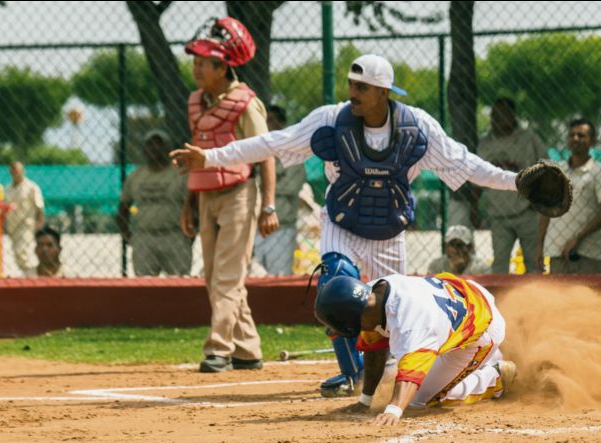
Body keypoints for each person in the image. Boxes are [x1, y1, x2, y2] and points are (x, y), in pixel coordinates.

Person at [171, 53, 542, 395]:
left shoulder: (417, 127)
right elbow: (271, 142)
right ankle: (353, 375)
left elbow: (468, 163)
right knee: (337, 283)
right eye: (350, 84)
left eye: (362, 87)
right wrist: (209, 157)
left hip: (389, 231)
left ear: (383, 91)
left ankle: (478, 373)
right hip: (342, 222)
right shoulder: (331, 120)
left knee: (388, 317)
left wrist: (516, 181)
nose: (353, 93)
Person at [181, 17, 279, 373]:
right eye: (195, 62)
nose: (196, 69)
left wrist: (268, 204)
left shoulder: (245, 103)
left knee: (226, 276)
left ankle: (218, 349)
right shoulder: (196, 102)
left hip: (239, 194)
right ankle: (247, 348)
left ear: (223, 67)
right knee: (215, 277)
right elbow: (197, 156)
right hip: (206, 196)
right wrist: (188, 204)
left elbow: (265, 152)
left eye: (204, 63)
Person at [314, 272, 517, 426]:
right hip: (462, 300)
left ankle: (495, 377)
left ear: (360, 315)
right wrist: (365, 401)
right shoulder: (371, 296)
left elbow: (411, 376)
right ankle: (492, 358)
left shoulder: (412, 324)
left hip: (481, 328)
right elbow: (374, 350)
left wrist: (393, 410)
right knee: (401, 372)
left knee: (420, 399)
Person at [535, 119, 601, 274]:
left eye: (581, 135)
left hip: (587, 256)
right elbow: (546, 211)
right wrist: (539, 246)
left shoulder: (599, 172)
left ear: (592, 141)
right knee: (559, 298)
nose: (575, 138)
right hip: (557, 255)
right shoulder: (557, 171)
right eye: (572, 135)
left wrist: (578, 239)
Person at [478, 98, 547, 274]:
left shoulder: (529, 139)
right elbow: (476, 175)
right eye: (494, 115)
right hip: (498, 215)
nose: (497, 119)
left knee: (534, 265)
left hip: (527, 212)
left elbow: (548, 166)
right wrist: (474, 205)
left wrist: (539, 197)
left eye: (502, 114)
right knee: (500, 267)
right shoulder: (485, 143)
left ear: (512, 115)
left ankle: (537, 300)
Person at [118, 130, 192, 276]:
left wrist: (190, 235)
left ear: (168, 149)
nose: (154, 149)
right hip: (144, 236)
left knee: (179, 282)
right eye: (150, 145)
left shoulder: (181, 174)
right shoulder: (135, 176)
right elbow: (123, 207)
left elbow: (193, 205)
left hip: (174, 235)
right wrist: (127, 235)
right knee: (144, 285)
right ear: (144, 150)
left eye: (159, 145)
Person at [252, 105, 306, 275]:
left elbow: (291, 186)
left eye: (272, 120)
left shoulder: (293, 154)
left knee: (279, 275)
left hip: (281, 226)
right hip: (254, 226)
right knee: (252, 276)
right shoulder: (254, 152)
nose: (268, 125)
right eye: (265, 121)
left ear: (282, 124)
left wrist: (262, 184)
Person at [5, 161, 44, 275]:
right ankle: (28, 274)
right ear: (11, 172)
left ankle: (30, 275)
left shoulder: (31, 187)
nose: (16, 173)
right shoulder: (8, 189)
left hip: (26, 224)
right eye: (13, 170)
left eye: (18, 170)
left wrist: (39, 223)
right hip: (13, 226)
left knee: (22, 252)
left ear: (23, 171)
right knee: (18, 253)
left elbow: (39, 206)